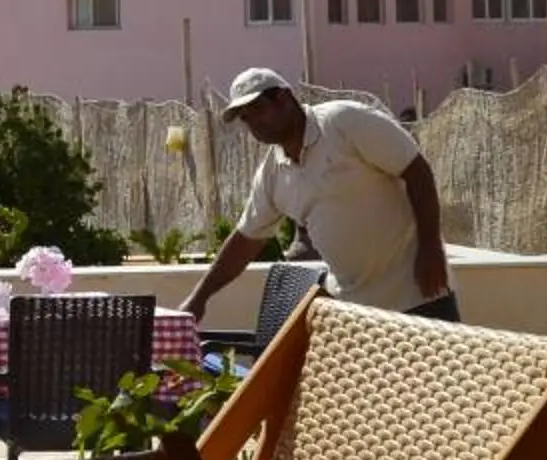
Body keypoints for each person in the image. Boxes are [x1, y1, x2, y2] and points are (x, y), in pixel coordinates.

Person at [181, 68, 457, 324]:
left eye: (258, 109)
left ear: (284, 98)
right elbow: (245, 241)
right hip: (358, 312)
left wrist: (431, 247)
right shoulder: (272, 174)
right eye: (245, 118)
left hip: (418, 292)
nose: (254, 123)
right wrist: (199, 298)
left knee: (434, 377)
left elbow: (416, 170)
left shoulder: (344, 122)